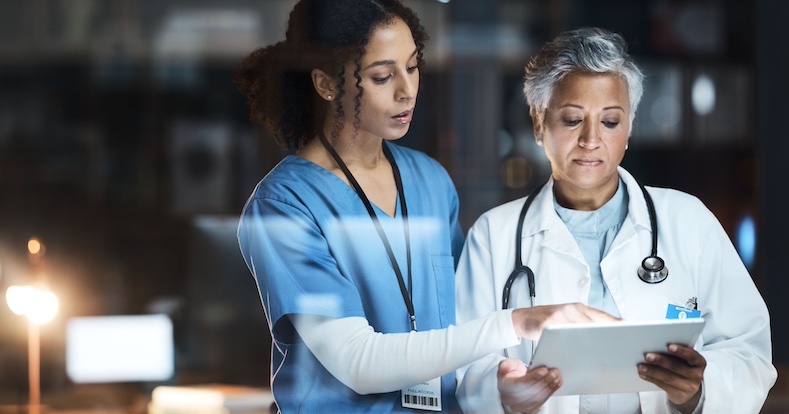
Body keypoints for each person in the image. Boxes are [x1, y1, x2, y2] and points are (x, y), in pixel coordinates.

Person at [234, 2, 616, 412]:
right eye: (382, 76)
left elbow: (465, 324)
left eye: (413, 67)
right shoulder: (286, 203)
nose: (407, 90)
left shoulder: (430, 181)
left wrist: (505, 387)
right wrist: (518, 321)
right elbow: (357, 362)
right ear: (327, 84)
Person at [454, 27, 777, 414]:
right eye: (572, 119)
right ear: (539, 124)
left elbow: (750, 352)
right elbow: (464, 365)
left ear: (629, 128)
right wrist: (504, 394)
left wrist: (696, 391)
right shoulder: (494, 235)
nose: (591, 140)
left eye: (610, 122)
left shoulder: (689, 222)